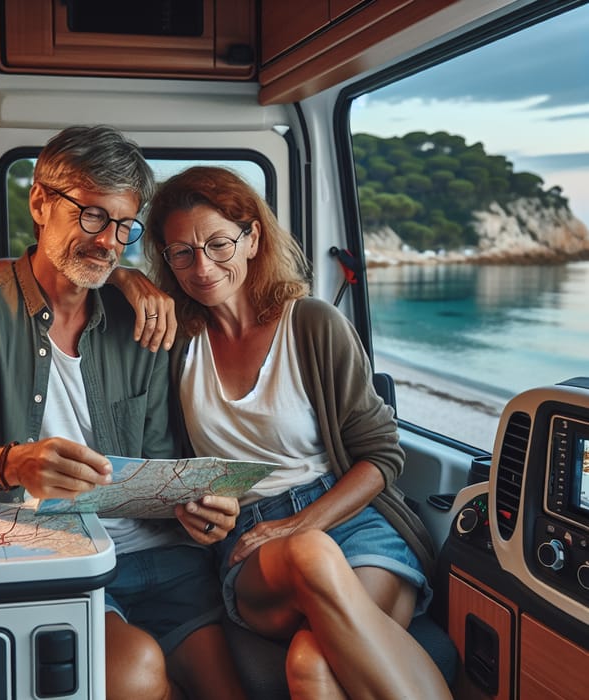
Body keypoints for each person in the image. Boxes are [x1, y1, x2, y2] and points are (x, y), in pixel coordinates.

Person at [0, 128, 247, 700]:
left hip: (160, 557)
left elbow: (158, 466)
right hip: (53, 558)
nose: (109, 240)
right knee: (136, 672)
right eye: (91, 215)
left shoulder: (142, 325)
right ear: (39, 203)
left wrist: (198, 509)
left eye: (124, 226)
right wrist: (13, 464)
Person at [133, 165, 453, 699]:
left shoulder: (312, 324)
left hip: (351, 522)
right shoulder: (177, 343)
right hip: (253, 546)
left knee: (311, 662)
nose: (202, 267)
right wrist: (125, 277)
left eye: (218, 244)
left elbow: (380, 456)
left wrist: (301, 523)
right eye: (181, 253)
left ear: (252, 237)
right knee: (308, 553)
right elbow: (22, 275)